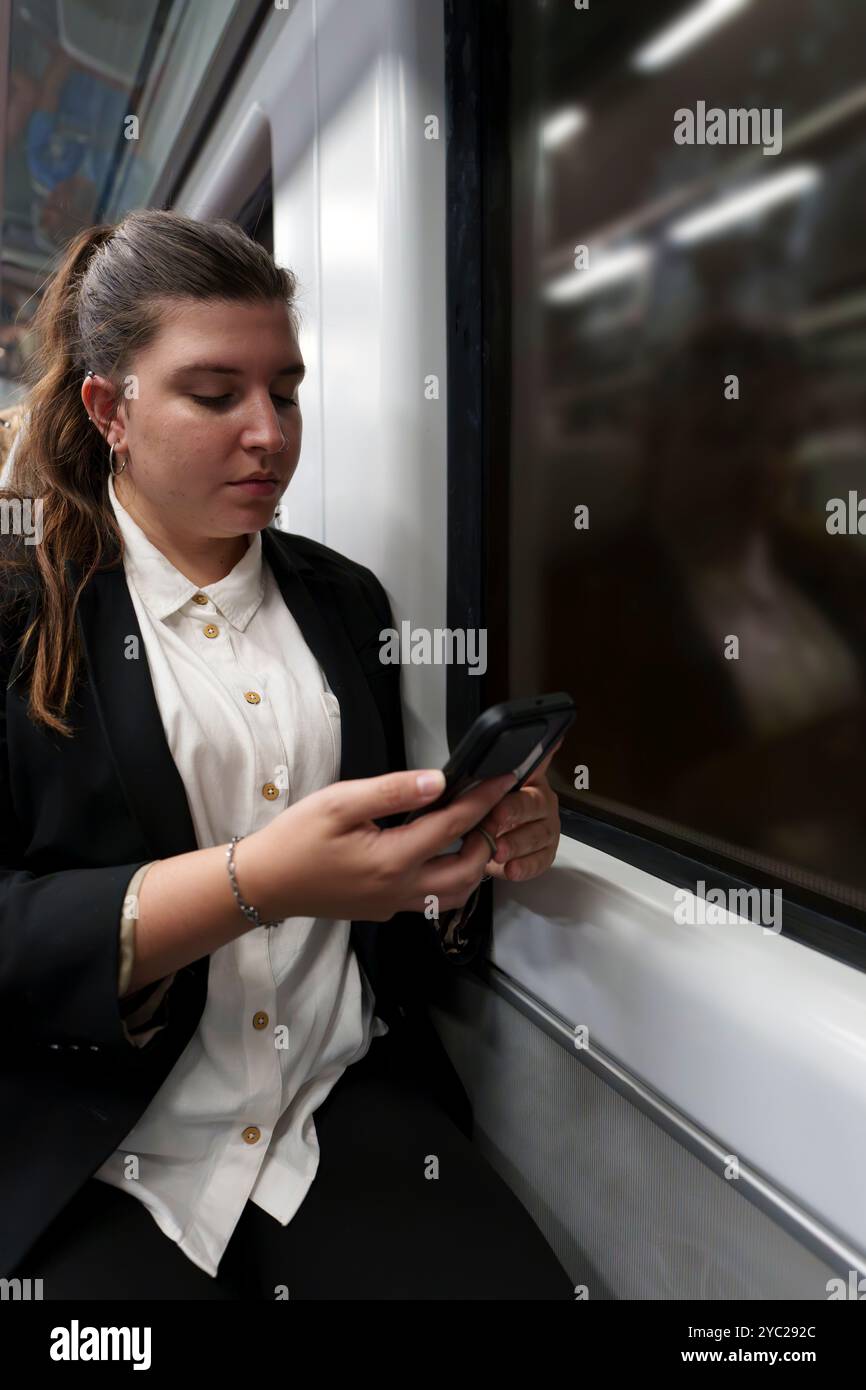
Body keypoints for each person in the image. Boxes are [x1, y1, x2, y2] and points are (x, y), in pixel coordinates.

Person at [0, 209, 571, 1299]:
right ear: (108, 409)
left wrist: (466, 856)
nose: (269, 432)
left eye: (286, 391)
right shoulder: (23, 613)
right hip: (98, 1134)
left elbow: (383, 881)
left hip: (330, 1093)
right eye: (214, 395)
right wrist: (254, 883)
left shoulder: (342, 599)